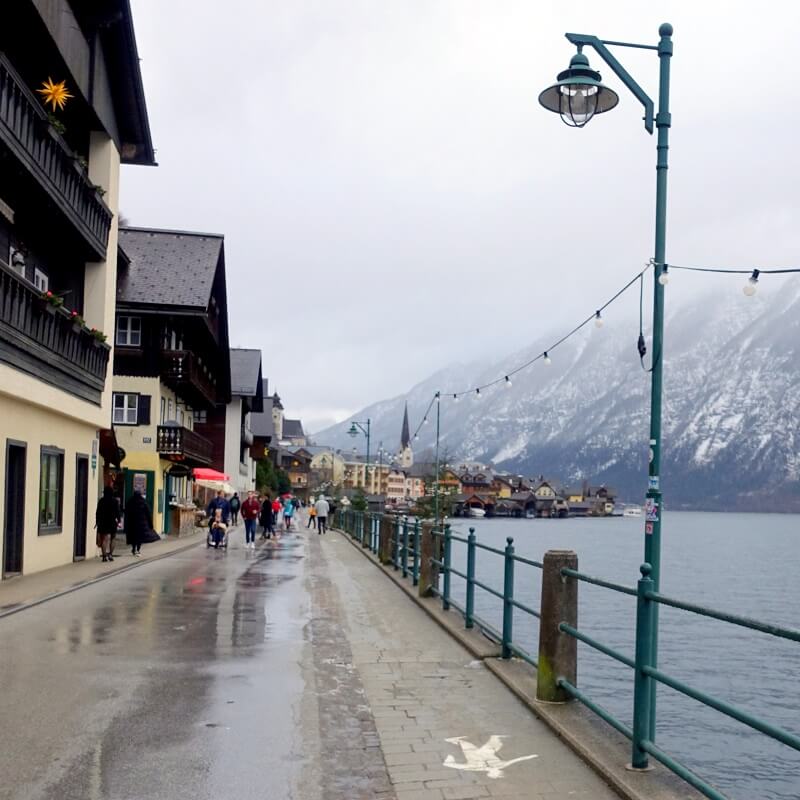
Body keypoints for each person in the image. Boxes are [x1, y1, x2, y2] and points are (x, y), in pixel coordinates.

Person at [95, 486, 121, 562]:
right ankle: (110, 554)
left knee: (105, 538)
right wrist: (119, 520)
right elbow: (118, 512)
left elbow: (98, 512)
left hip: (103, 521)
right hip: (112, 521)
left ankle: (104, 556)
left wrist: (97, 521)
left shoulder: (101, 501)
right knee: (113, 538)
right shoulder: (115, 501)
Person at [124, 490, 152, 557]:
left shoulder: (130, 502)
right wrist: (150, 524)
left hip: (132, 523)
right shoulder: (143, 502)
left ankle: (133, 549)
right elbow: (148, 514)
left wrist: (126, 523)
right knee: (139, 537)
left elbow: (126, 512)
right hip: (141, 523)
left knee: (133, 536)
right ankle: (138, 549)